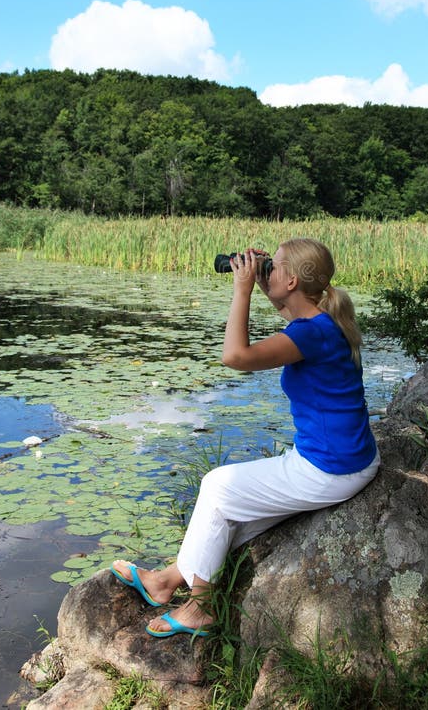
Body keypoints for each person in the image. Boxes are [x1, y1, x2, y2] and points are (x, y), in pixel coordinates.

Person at [110, 238, 380, 638]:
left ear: (291, 280)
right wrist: (259, 282)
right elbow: (291, 313)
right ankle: (166, 581)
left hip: (331, 469)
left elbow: (235, 357)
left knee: (217, 487)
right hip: (345, 459)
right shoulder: (319, 323)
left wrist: (241, 290)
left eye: (276, 265)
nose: (266, 268)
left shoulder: (312, 333)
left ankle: (200, 610)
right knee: (230, 515)